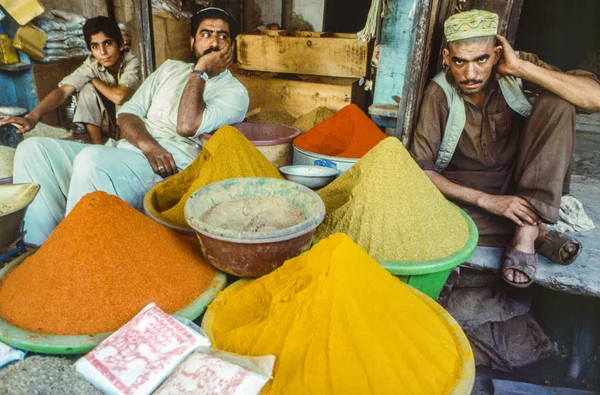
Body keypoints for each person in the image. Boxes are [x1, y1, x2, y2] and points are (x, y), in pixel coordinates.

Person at [9, 7, 249, 245]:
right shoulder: (170, 69)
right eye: (206, 34)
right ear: (192, 41)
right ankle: (39, 251)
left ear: (231, 46)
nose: (214, 42)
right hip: (130, 151)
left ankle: (74, 255)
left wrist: (201, 70)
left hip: (170, 170)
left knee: (92, 160)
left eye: (222, 36)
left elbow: (186, 125)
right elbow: (126, 114)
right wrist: (148, 146)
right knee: (33, 150)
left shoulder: (235, 92)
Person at [410, 10, 600, 287]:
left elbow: (593, 99)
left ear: (497, 54)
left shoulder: (517, 71)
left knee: (559, 103)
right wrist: (486, 201)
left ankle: (524, 229)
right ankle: (538, 228)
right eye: (460, 61)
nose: (470, 73)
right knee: (427, 222)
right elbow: (421, 171)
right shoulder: (439, 93)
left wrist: (520, 68)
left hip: (525, 179)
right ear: (447, 58)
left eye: (482, 59)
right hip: (470, 189)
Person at [0, 16, 140, 144]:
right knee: (86, 90)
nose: (102, 52)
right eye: (95, 46)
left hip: (135, 123)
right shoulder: (91, 64)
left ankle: (124, 143)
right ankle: (98, 146)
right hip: (108, 123)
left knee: (118, 96)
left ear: (121, 45)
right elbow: (62, 92)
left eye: (108, 44)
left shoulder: (132, 61)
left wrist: (93, 80)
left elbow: (119, 97)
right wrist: (32, 117)